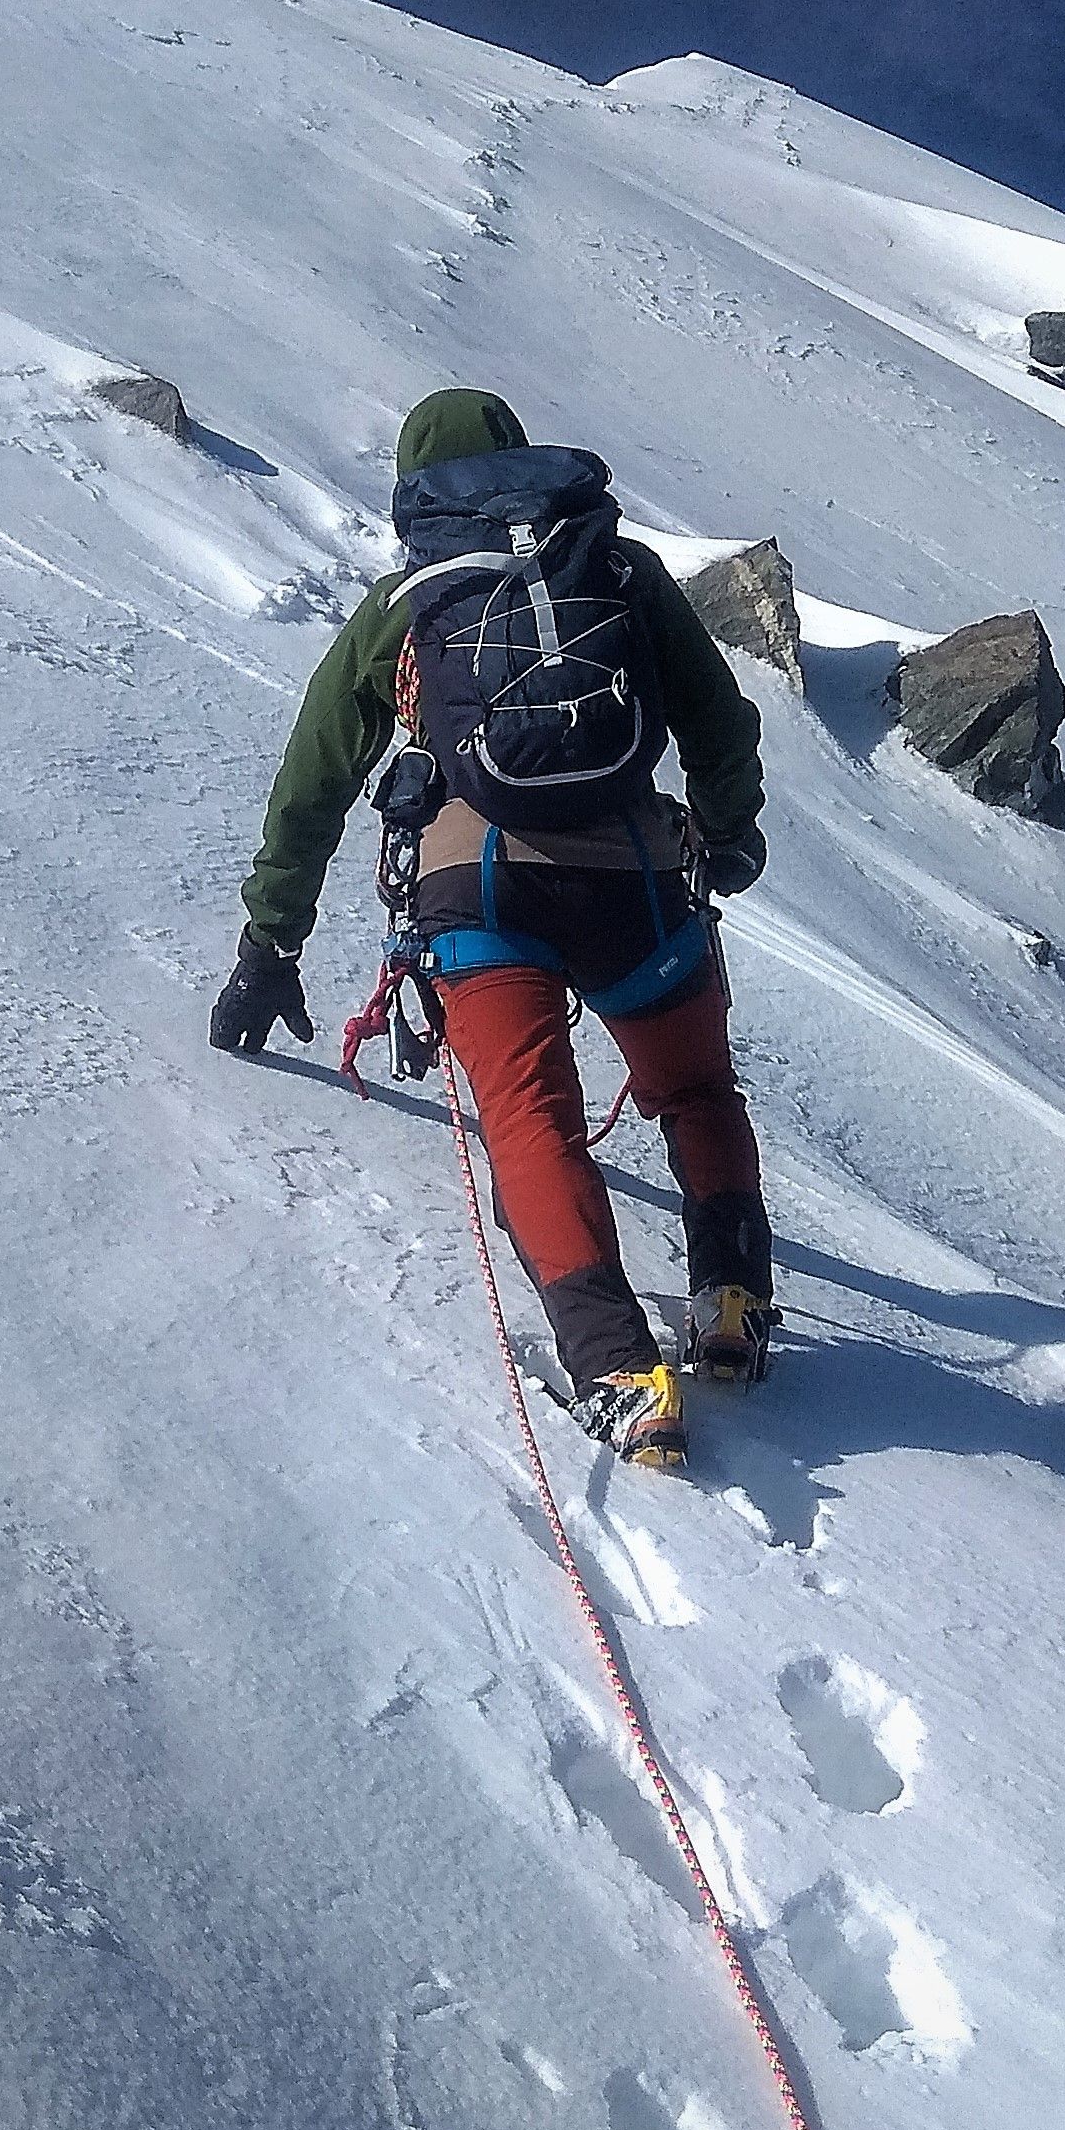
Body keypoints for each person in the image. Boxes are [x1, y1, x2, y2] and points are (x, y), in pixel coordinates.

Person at [210, 386, 776, 1468]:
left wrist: (268, 944)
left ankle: (616, 1369)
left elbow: (313, 781)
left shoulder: (406, 604)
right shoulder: (619, 569)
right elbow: (717, 717)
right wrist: (730, 835)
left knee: (528, 1117)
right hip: (640, 882)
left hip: (476, 889)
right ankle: (732, 1300)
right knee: (697, 1091)